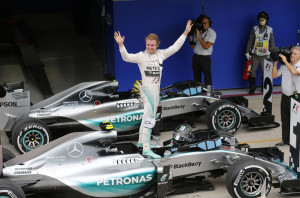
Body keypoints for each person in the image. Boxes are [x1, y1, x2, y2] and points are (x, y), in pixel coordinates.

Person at [114, 20, 193, 158]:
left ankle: (141, 143)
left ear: (157, 45)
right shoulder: (141, 56)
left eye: (152, 45)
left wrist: (185, 33)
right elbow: (126, 57)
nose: (150, 47)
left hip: (156, 91)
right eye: (148, 44)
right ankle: (145, 149)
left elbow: (175, 47)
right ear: (145, 44)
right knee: (149, 119)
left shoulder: (161, 54)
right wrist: (121, 45)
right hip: (148, 92)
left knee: (148, 117)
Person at [272, 46, 300, 146]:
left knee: (296, 120)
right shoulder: (284, 66)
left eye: (294, 54)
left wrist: (286, 62)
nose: (291, 55)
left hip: (296, 97)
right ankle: (285, 140)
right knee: (285, 119)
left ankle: (296, 142)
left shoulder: (298, 65)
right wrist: (275, 62)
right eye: (291, 53)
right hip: (285, 96)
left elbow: (294, 72)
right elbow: (274, 75)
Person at [245, 11, 275, 94]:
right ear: (258, 20)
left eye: (263, 19)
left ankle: (264, 87)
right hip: (255, 54)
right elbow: (250, 41)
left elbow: (272, 43)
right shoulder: (255, 29)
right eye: (260, 19)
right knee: (252, 72)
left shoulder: (269, 30)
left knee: (265, 72)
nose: (262, 21)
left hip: (265, 55)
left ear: (266, 20)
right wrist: (247, 52)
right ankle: (252, 87)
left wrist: (272, 53)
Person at [189, 15, 216, 88]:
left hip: (205, 59)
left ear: (209, 23)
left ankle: (209, 94)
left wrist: (199, 37)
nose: (204, 25)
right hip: (196, 57)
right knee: (196, 78)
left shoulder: (212, 33)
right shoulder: (198, 31)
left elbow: (206, 46)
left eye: (206, 23)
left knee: (207, 77)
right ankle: (198, 94)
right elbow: (192, 45)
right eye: (202, 23)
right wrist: (190, 34)